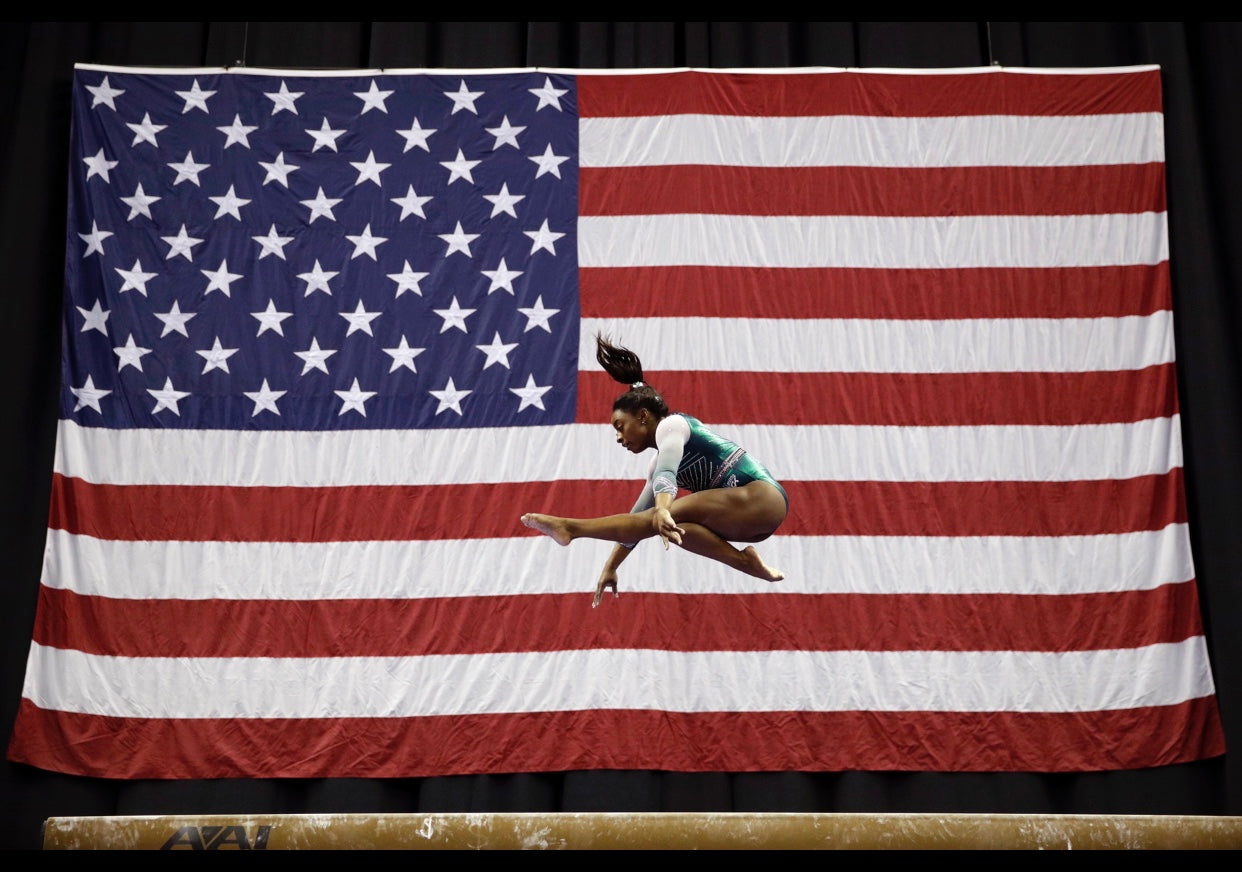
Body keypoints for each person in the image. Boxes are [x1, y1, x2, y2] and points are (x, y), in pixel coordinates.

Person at [521, 332, 789, 607]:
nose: (618, 437)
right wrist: (611, 566)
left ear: (644, 416)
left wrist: (662, 508)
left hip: (762, 498)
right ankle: (745, 562)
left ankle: (571, 528)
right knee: (674, 528)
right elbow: (636, 518)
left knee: (661, 518)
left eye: (620, 426)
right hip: (749, 523)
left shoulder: (672, 426)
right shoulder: (655, 464)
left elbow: (668, 474)